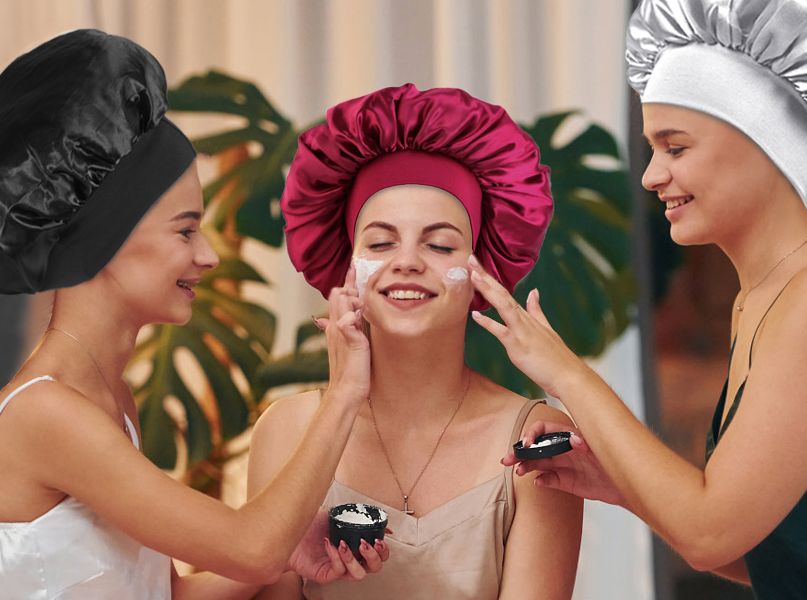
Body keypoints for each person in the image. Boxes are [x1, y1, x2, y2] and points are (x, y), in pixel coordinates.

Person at [480, 1, 807, 598]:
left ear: (764, 140)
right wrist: (620, 485)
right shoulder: (767, 295)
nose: (650, 176)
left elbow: (710, 536)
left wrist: (566, 373)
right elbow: (770, 553)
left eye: (675, 147)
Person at [0, 30, 384, 599]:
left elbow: (165, 592)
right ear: (107, 240)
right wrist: (344, 393)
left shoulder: (109, 399)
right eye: (185, 230)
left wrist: (288, 555)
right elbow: (251, 546)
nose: (208, 255)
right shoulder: (46, 413)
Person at [247, 84, 583, 600]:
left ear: (480, 269)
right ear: (348, 266)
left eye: (440, 243)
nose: (406, 261)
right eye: (380, 243)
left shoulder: (535, 439)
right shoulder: (287, 430)